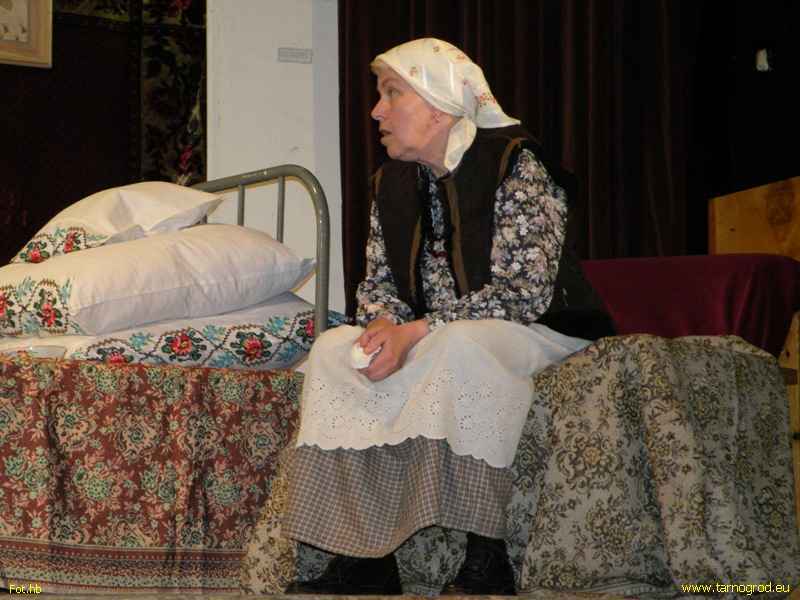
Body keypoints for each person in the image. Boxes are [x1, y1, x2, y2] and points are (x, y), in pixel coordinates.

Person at [282, 38, 614, 595]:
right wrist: (382, 325)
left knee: (460, 344)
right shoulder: (390, 183)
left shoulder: (515, 162)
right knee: (334, 351)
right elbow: (379, 284)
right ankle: (364, 556)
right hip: (439, 333)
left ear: (438, 105)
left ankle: (487, 556)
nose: (377, 111)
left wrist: (418, 331)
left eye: (392, 94)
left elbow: (523, 293)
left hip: (542, 330)